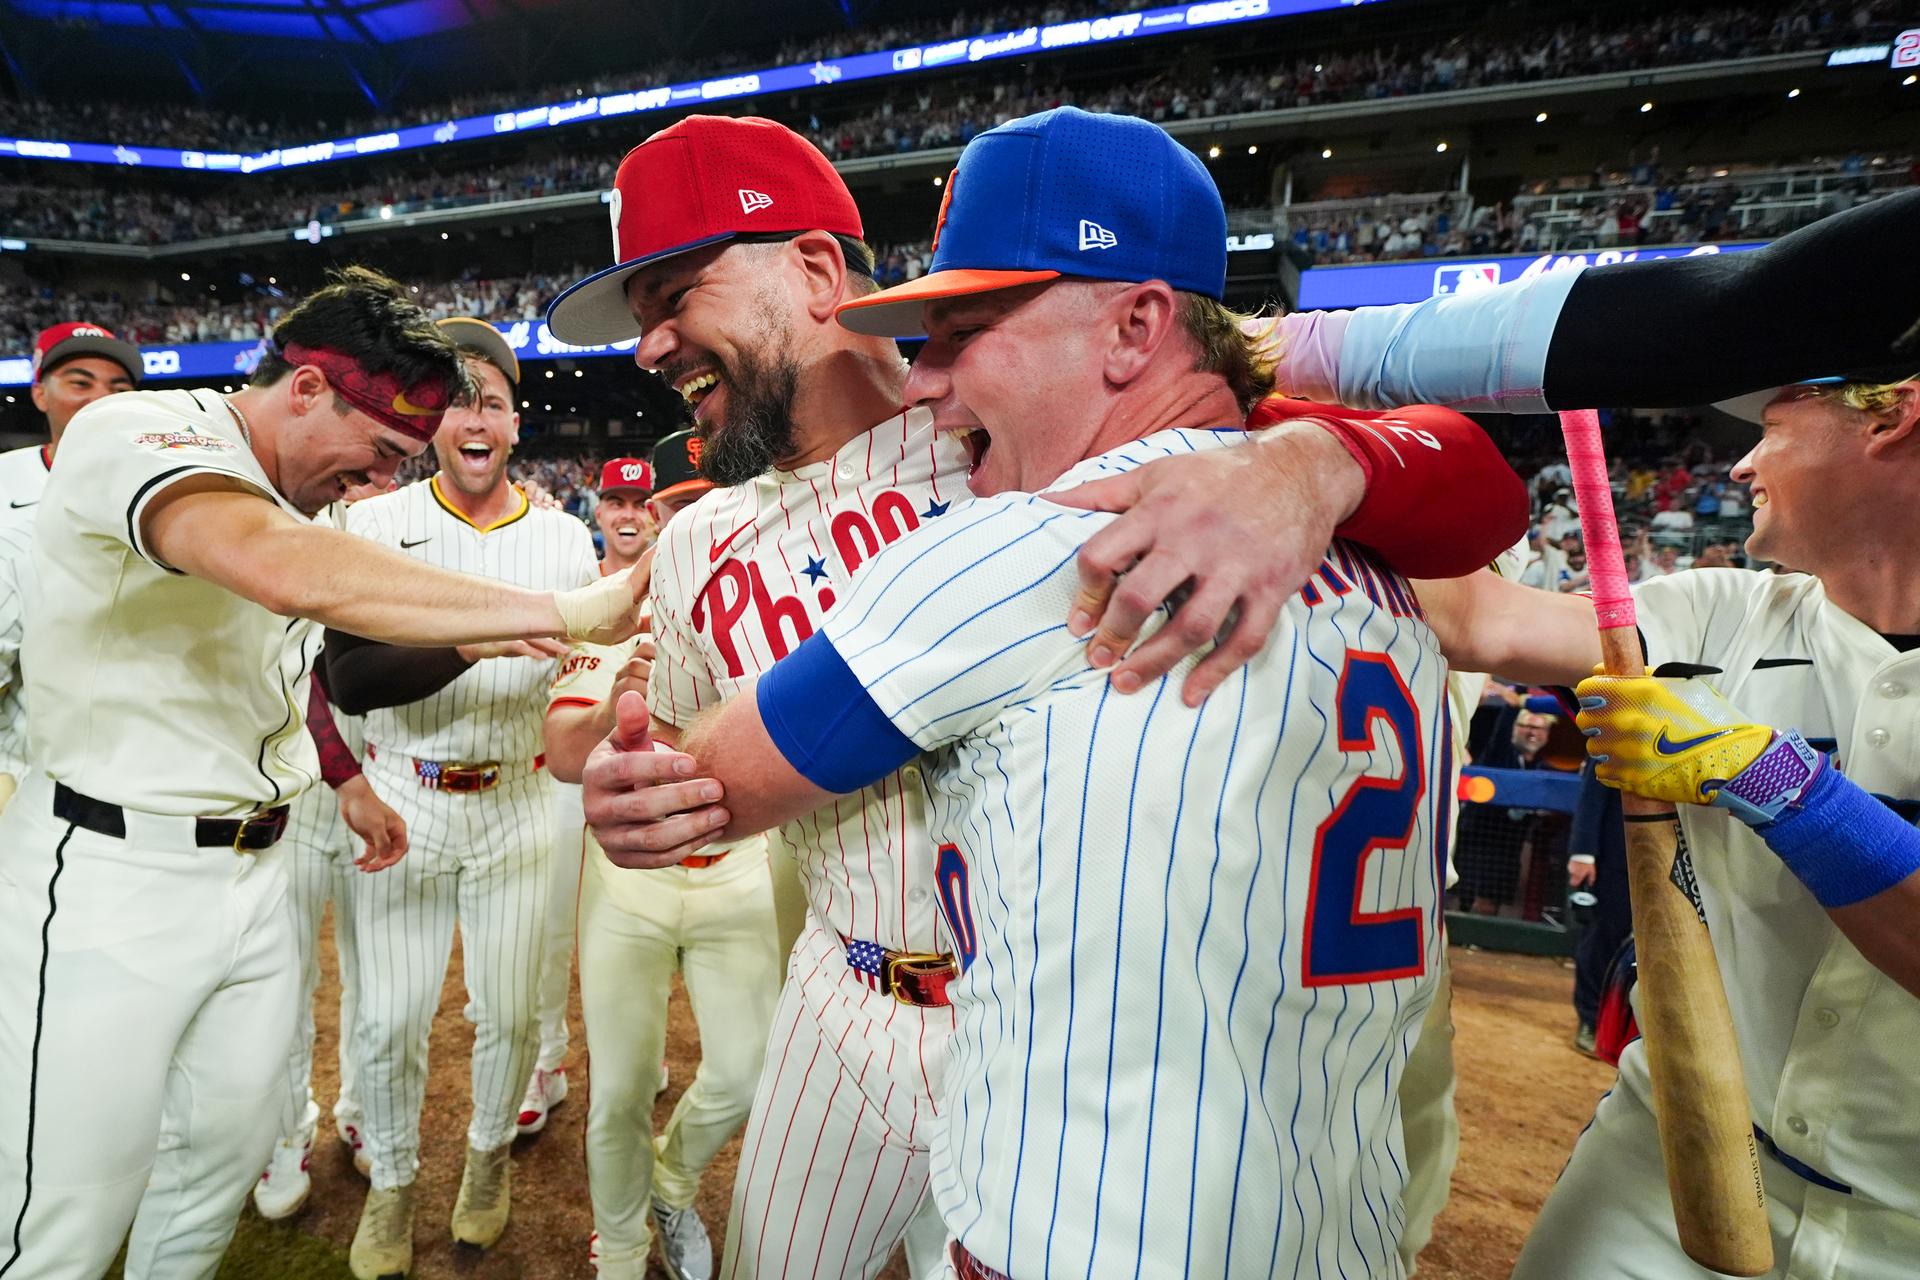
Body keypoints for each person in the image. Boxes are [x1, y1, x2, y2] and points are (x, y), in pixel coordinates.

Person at [550, 112, 1523, 1280]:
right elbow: (663, 743)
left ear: (812, 268)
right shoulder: (711, 525)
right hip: (853, 983)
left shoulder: (1046, 458)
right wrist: (626, 753)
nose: (649, 346)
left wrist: (1316, 457)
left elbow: (1467, 499)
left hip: (1069, 1044)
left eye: (673, 295)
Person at [0, 270, 643, 1280]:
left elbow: (300, 664)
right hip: (108, 874)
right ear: (305, 390)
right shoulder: (135, 429)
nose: (375, 483)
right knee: (64, 1214)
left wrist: (339, 774)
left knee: (213, 1167)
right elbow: (273, 564)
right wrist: (567, 613)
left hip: (255, 871)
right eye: (376, 453)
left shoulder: (310, 493)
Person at [317, 316, 600, 1278]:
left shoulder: (565, 540)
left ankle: (485, 1160)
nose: (474, 418)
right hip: (405, 789)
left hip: (516, 799)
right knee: (389, 1018)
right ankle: (393, 1182)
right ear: (433, 422)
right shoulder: (377, 525)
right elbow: (349, 682)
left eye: (493, 400)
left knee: (512, 1014)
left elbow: (588, 675)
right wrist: (473, 641)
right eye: (456, 401)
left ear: (517, 424)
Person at [546, 429, 785, 1280]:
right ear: (659, 516)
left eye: (714, 498)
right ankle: (619, 1252)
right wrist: (617, 701)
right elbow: (565, 751)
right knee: (615, 1092)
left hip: (741, 872)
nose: (702, 517)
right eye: (682, 504)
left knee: (747, 1074)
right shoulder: (613, 609)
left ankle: (672, 1181)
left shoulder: (775, 606)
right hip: (629, 884)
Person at [518, 452, 660, 1140]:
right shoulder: (570, 589)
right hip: (566, 783)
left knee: (647, 933)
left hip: (647, 783)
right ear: (597, 511)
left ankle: (640, 1054)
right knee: (550, 932)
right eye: (616, 502)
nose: (629, 514)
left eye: (641, 502)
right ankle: (546, 1060)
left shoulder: (678, 588)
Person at [0, 323, 141, 815]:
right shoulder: (3, 482)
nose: (100, 398)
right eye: (80, 383)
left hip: (138, 767)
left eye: (118, 387)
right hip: (22, 763)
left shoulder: (167, 496)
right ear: (40, 394)